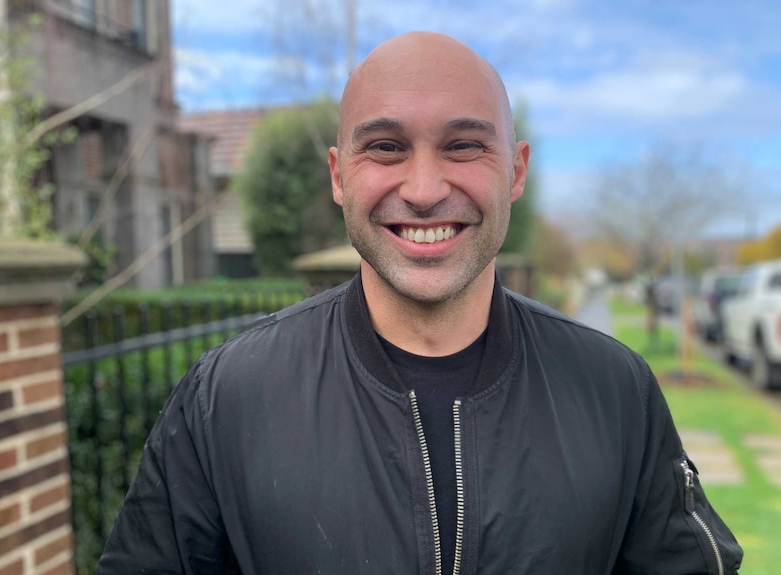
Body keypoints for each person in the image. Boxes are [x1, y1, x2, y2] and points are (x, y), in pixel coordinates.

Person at [96, 32, 743, 574]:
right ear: (338, 175)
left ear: (515, 171)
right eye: (385, 147)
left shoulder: (614, 390)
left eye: (464, 145)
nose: (426, 188)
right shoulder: (227, 397)